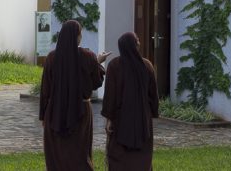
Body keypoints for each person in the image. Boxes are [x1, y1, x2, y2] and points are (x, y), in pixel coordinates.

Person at [39, 20, 110, 171]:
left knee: (57, 151)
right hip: (81, 112)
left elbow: (45, 89)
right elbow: (95, 82)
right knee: (79, 151)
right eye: (80, 34)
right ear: (77, 36)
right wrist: (98, 62)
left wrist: (43, 116)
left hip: (55, 111)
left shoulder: (52, 58)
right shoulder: (88, 56)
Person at [102, 32, 160, 171]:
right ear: (134, 45)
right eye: (137, 40)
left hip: (120, 118)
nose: (139, 42)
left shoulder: (114, 65)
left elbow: (110, 95)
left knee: (119, 156)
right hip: (142, 118)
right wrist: (152, 113)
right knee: (142, 156)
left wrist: (109, 119)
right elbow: (153, 95)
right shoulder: (147, 66)